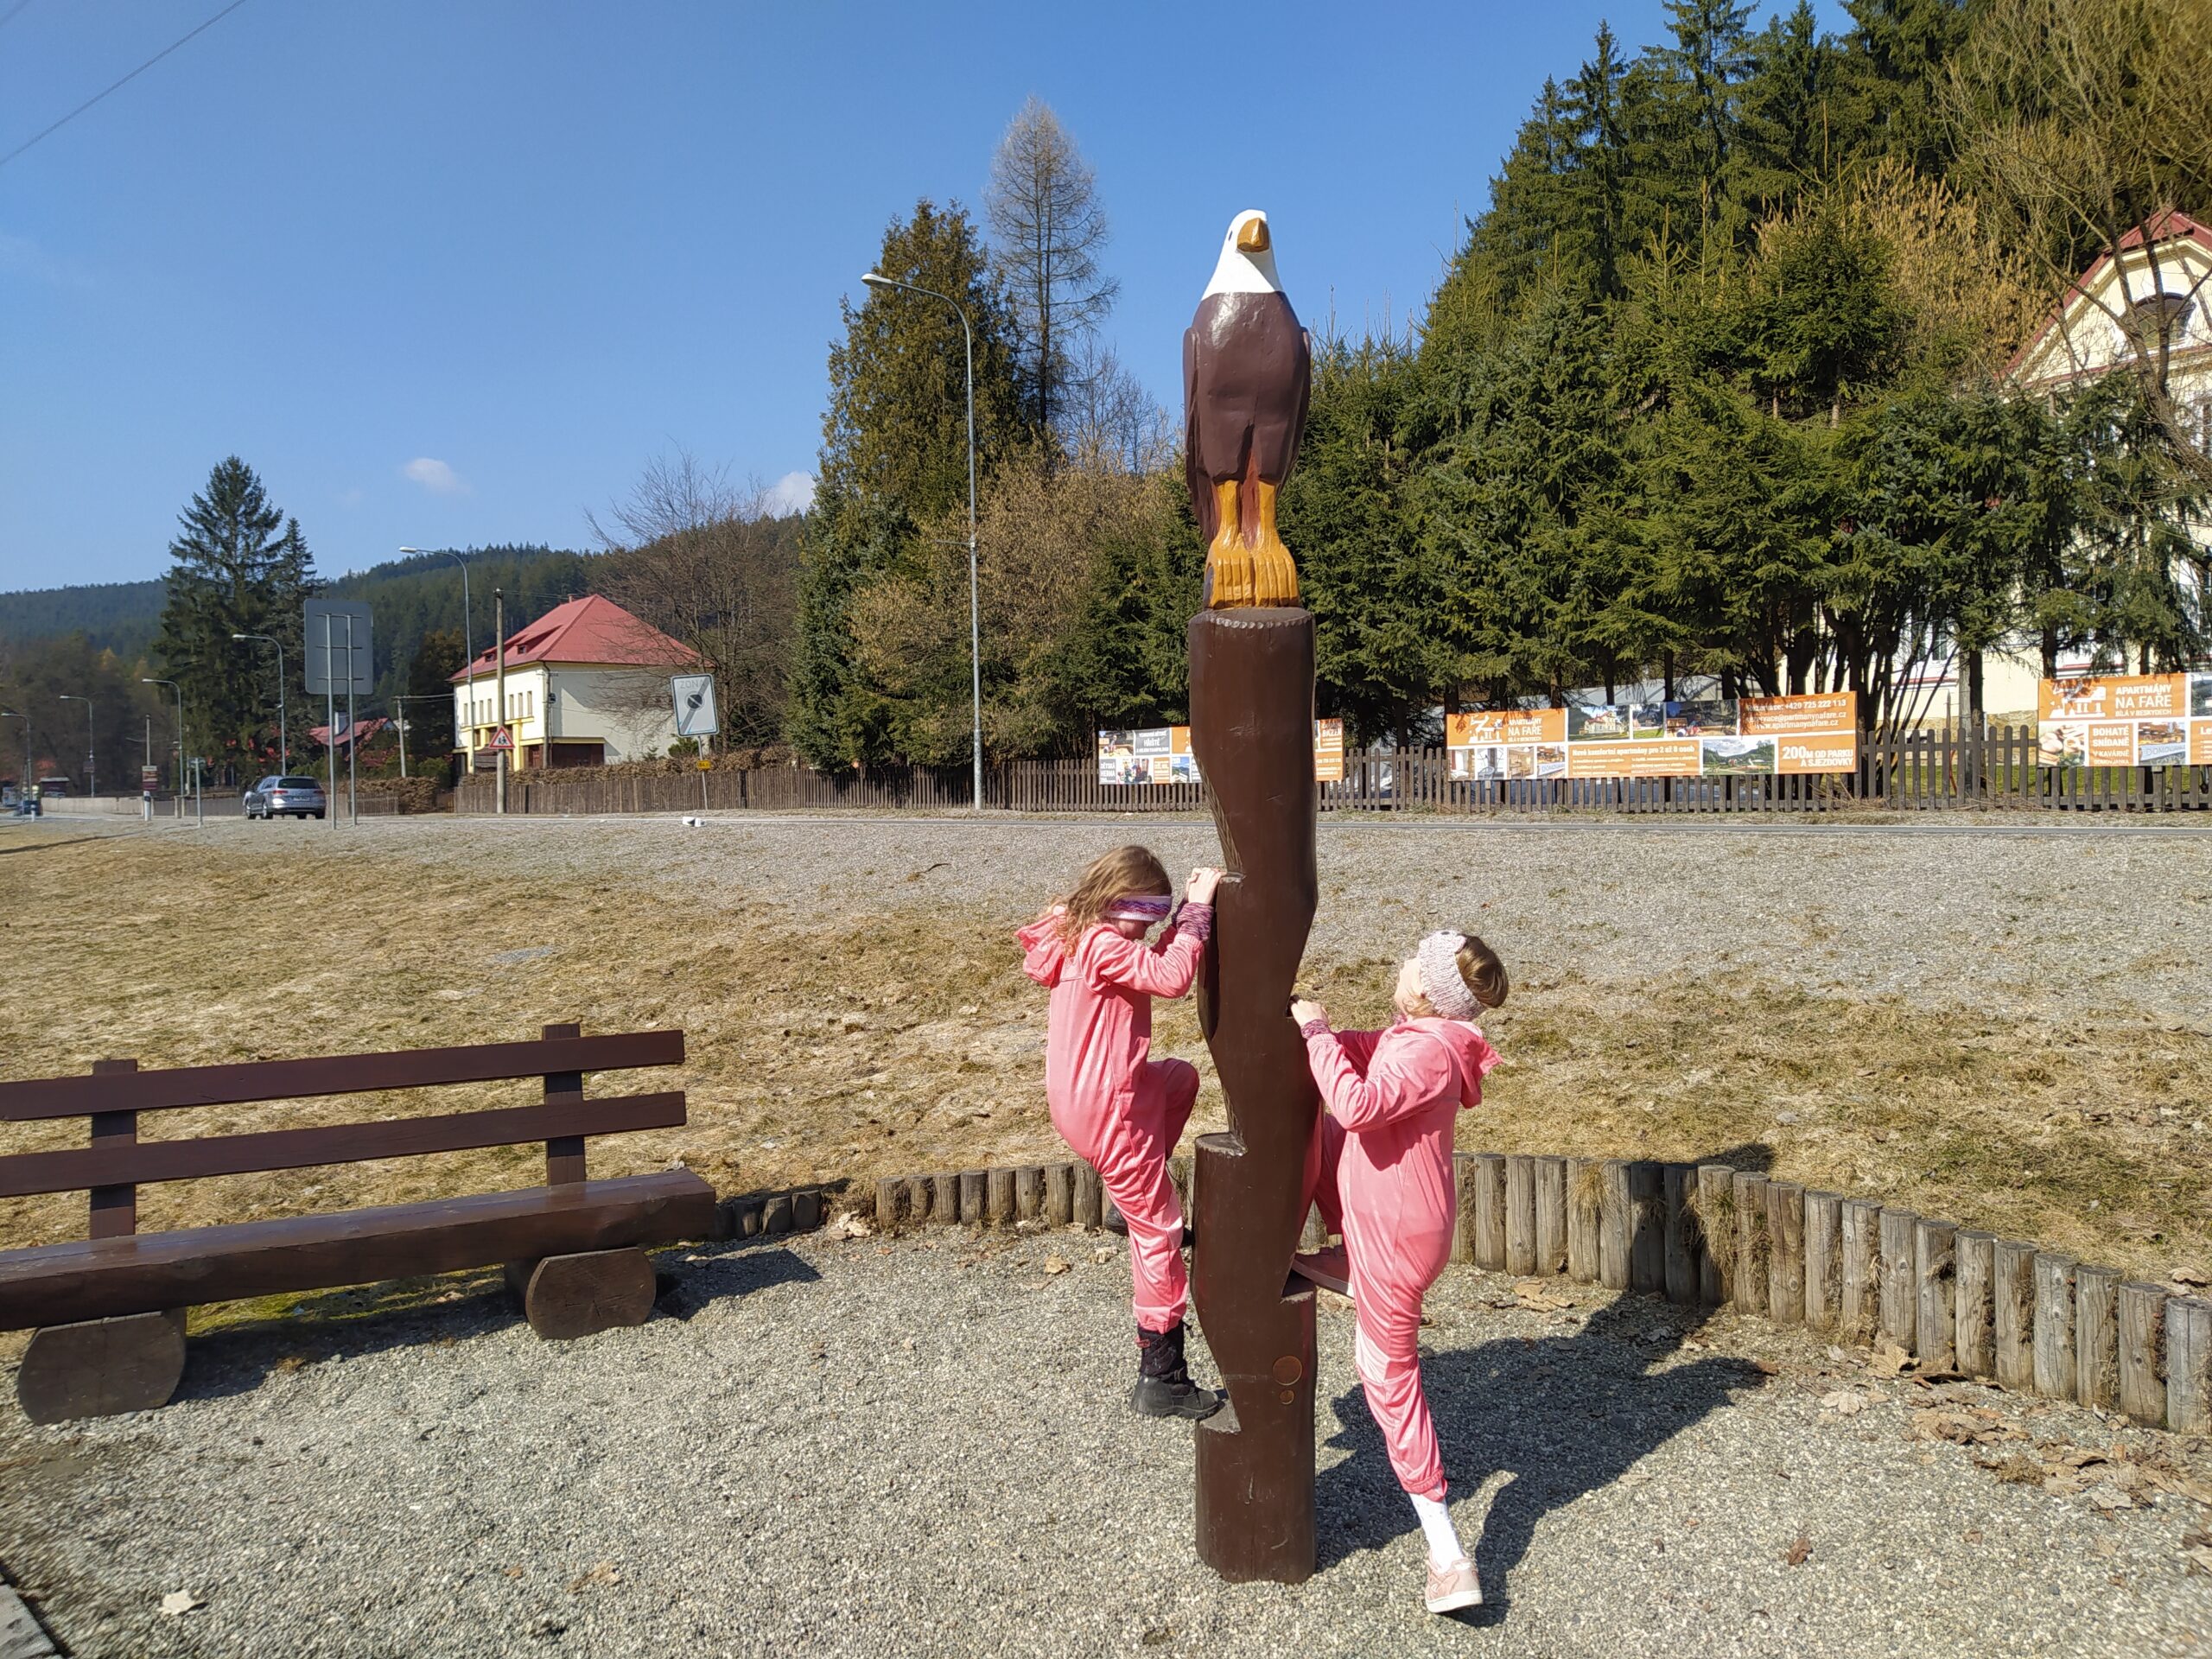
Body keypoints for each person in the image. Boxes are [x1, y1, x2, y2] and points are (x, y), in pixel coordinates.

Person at [1290, 930, 1508, 1616]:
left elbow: (1358, 1103)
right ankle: (1349, 1262)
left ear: (1426, 990)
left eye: (1416, 960)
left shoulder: (1424, 1052)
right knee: (1323, 1136)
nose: (1404, 962)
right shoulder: (1421, 1038)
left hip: (1394, 1237)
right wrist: (1323, 1037)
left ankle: (1447, 1553)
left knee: (1385, 1376)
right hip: (1396, 1226)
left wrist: (1315, 1032)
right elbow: (1367, 1053)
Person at [1017, 846, 1223, 1420]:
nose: (1150, 929)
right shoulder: (1104, 944)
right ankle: (1162, 1375)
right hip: (1112, 1108)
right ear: (1120, 903)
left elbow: (1148, 963)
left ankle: (1123, 1204)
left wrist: (1178, 922)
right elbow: (1172, 977)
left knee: (1179, 1080)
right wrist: (1197, 913)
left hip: (1081, 1098)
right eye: (1148, 916)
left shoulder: (1079, 933)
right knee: (1158, 1231)